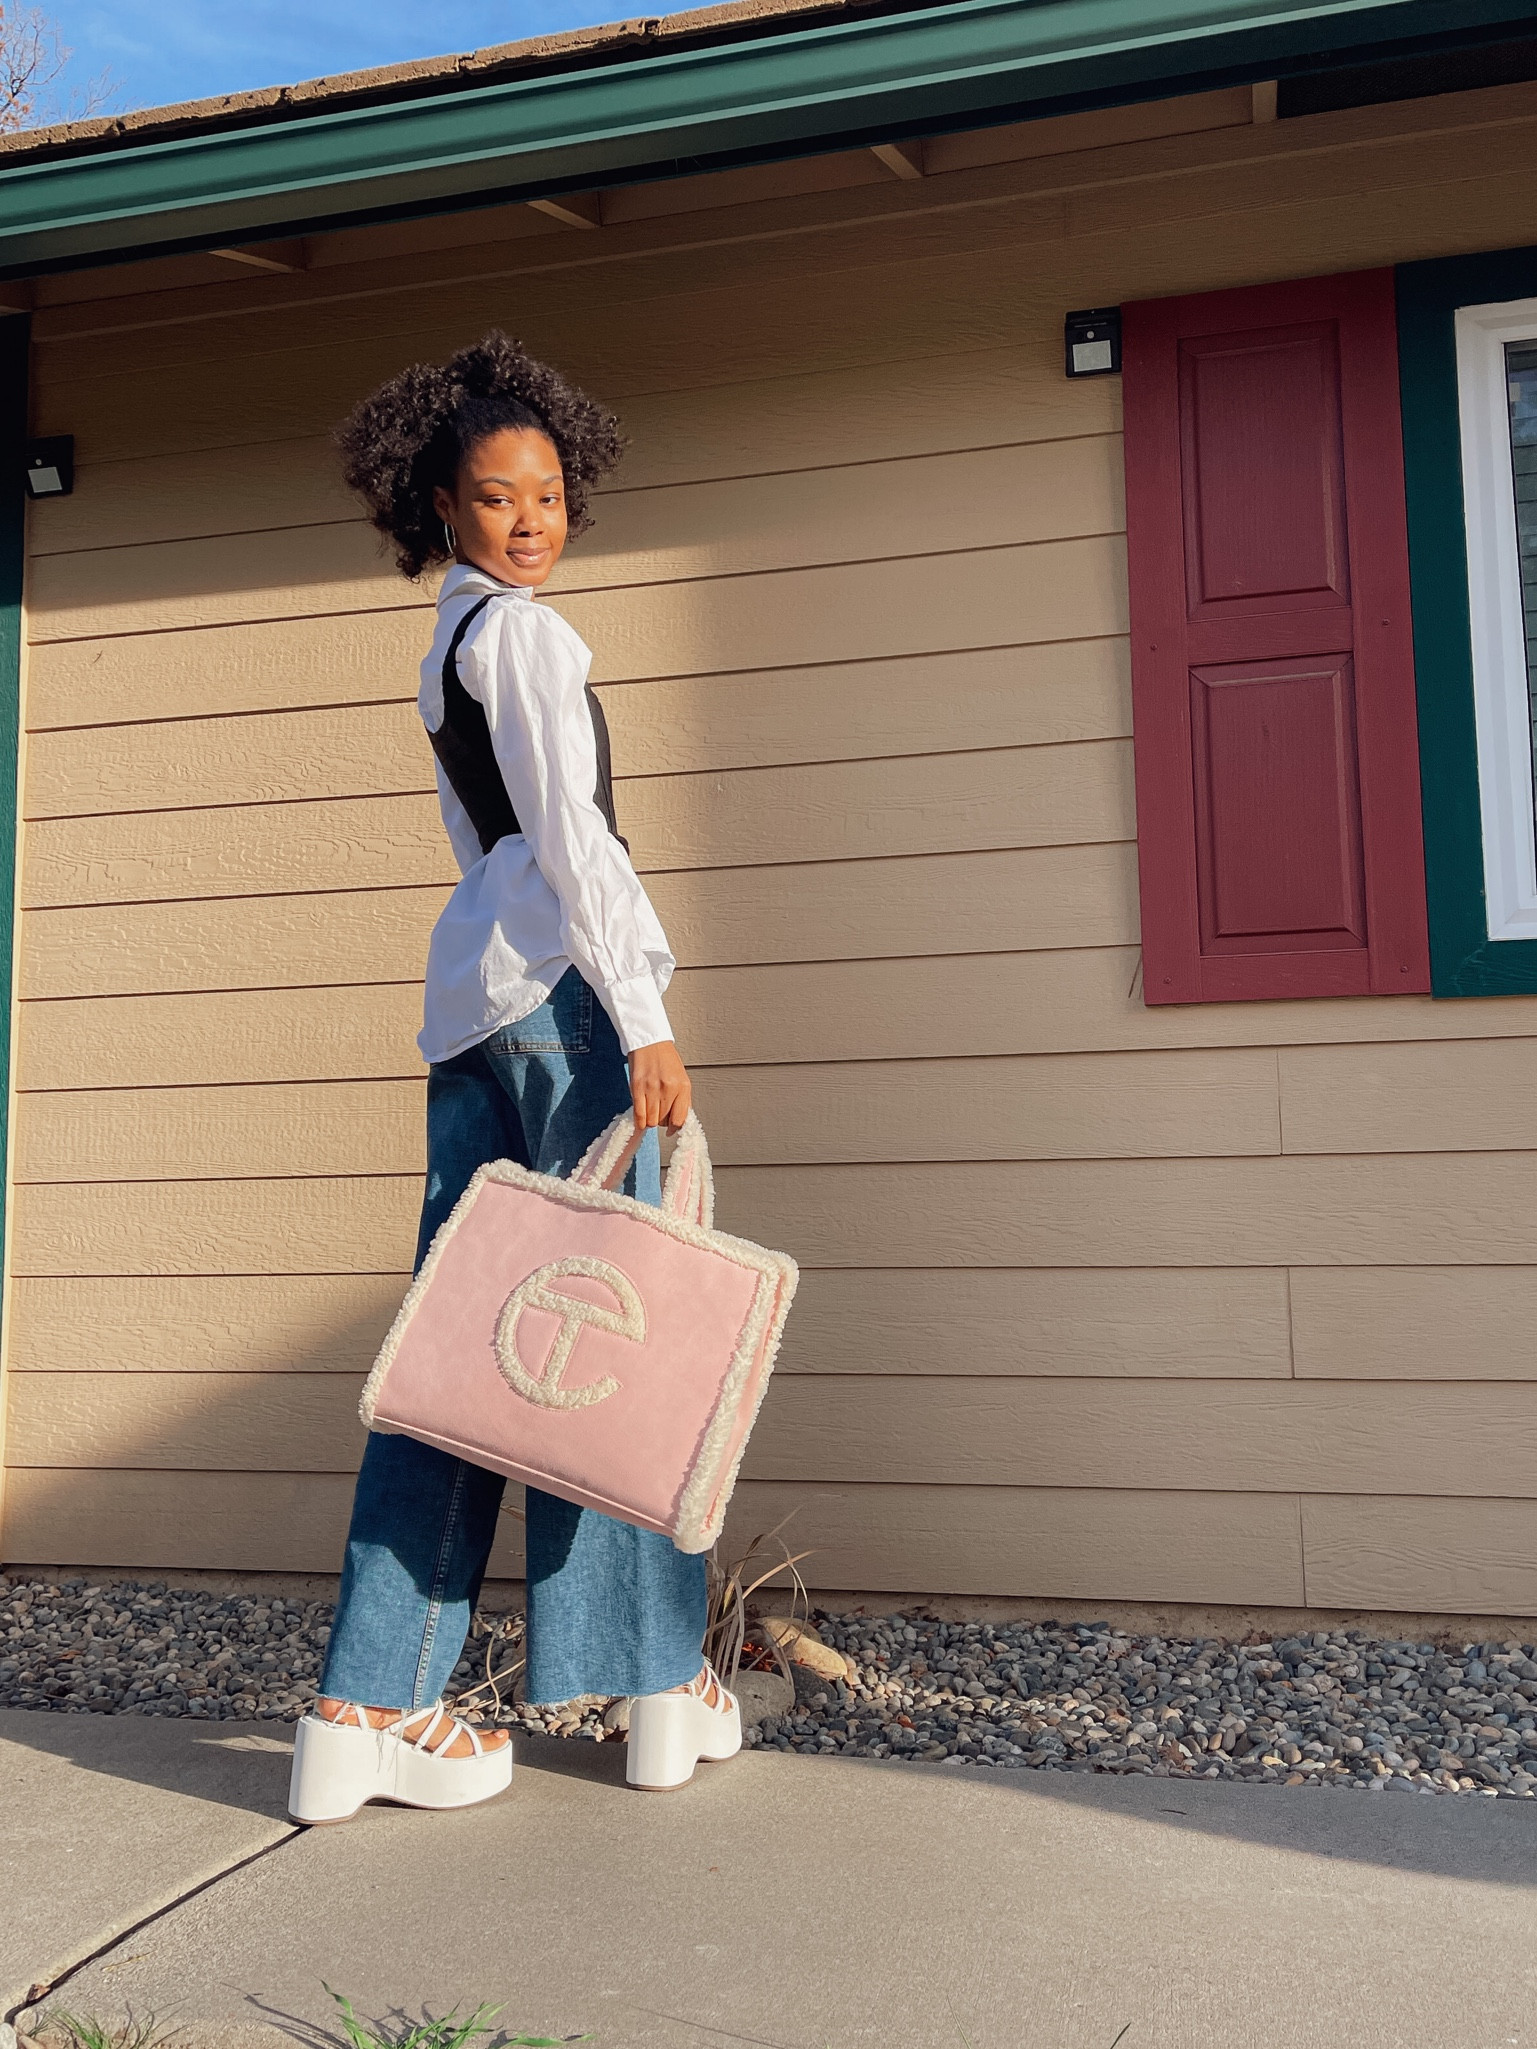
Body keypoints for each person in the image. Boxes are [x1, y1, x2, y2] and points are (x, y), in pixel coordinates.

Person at [286, 333, 740, 1825]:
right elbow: (574, 847)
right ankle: (657, 1684)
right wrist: (647, 1012)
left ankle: (367, 1700)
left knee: (462, 1354)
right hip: (566, 1008)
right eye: (495, 498)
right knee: (616, 1340)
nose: (530, 520)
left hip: (473, 1008)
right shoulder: (530, 642)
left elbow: (492, 850)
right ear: (439, 505)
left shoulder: (451, 640)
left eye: (547, 493)